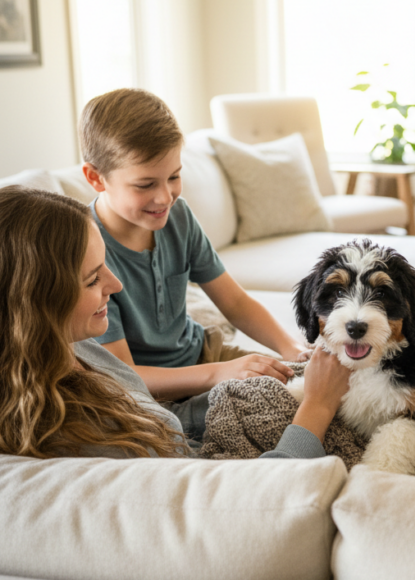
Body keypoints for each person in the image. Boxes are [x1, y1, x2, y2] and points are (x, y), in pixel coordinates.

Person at [0, 186, 347, 459]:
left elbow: (163, 415)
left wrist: (276, 383)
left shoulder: (77, 346)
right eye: (92, 280)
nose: (116, 285)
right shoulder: (88, 434)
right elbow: (262, 496)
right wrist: (317, 405)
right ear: (35, 305)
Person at [78, 88, 309, 405]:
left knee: (307, 386)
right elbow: (124, 376)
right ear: (95, 178)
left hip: (203, 356)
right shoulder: (87, 251)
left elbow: (236, 303)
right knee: (280, 409)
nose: (165, 197)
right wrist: (219, 374)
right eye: (145, 184)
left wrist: (292, 348)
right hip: (150, 394)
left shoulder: (179, 217)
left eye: (173, 176)